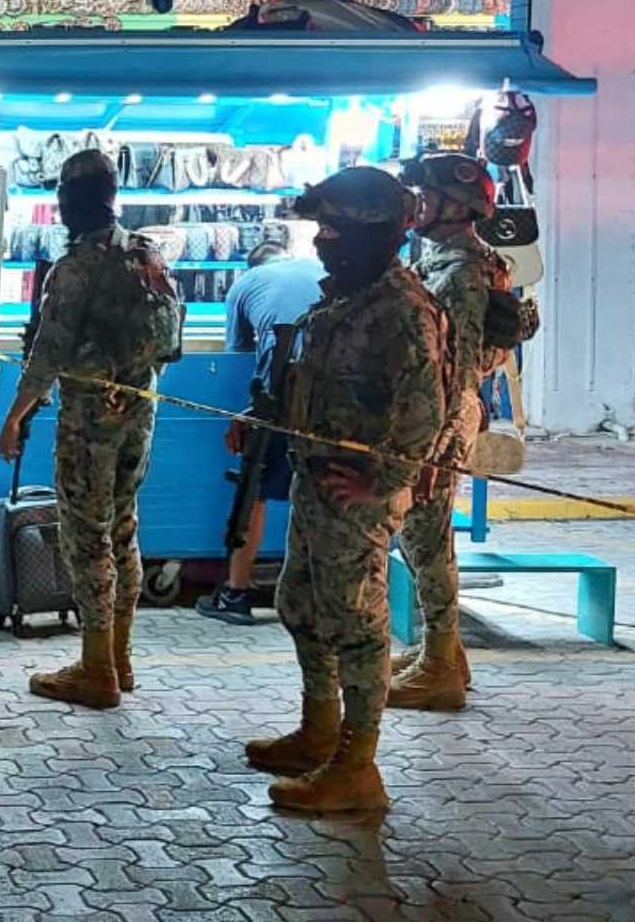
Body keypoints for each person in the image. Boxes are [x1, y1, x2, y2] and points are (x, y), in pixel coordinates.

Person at [245, 166, 446, 815]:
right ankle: (319, 731)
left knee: (358, 625)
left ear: (369, 232)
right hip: (317, 479)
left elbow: (426, 409)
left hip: (355, 495)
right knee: (300, 603)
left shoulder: (400, 307)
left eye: (332, 229)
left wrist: (382, 480)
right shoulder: (347, 297)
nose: (321, 241)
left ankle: (357, 766)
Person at [0, 148, 182, 710]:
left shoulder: (75, 268)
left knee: (86, 536)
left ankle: (95, 667)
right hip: (139, 413)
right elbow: (171, 345)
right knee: (123, 529)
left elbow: (47, 355)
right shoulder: (147, 255)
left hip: (88, 422)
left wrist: (15, 417)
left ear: (67, 202)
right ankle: (119, 658)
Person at [391, 153, 508, 711]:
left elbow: (456, 364)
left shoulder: (461, 271)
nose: (418, 205)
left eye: (427, 196)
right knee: (420, 538)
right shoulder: (443, 260)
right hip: (436, 411)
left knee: (426, 537)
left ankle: (438, 663)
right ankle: (444, 652)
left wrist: (433, 447)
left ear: (456, 206)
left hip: (441, 415)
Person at [196, 241, 326, 625]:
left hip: (280, 393)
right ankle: (320, 592)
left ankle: (236, 593)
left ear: (251, 264)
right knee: (321, 488)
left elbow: (236, 354)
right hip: (334, 391)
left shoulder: (245, 283)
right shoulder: (316, 265)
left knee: (254, 489)